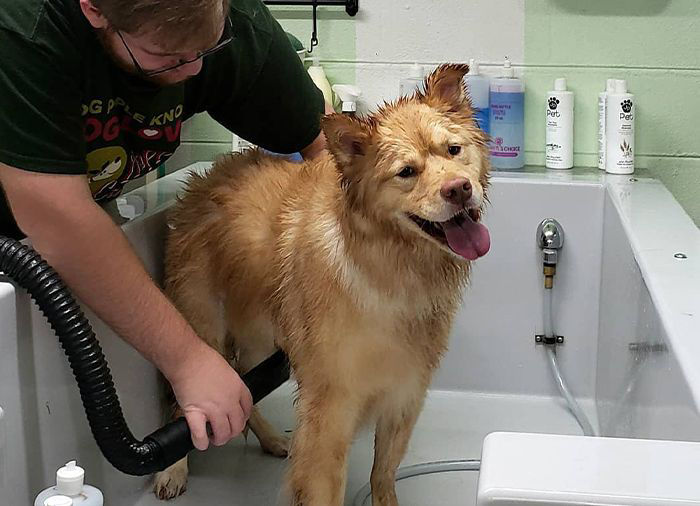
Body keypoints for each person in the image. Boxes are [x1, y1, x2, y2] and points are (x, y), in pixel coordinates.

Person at [0, 0, 329, 451]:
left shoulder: (232, 23)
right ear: (94, 9)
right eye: (168, 58)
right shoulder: (24, 28)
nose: (192, 71)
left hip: (75, 201)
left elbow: (329, 150)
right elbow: (60, 220)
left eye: (207, 49)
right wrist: (190, 360)